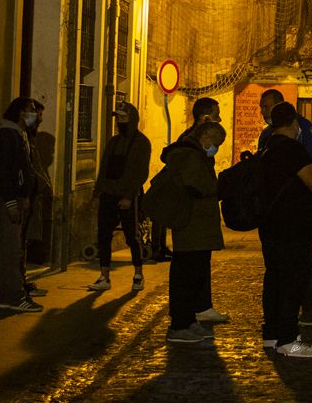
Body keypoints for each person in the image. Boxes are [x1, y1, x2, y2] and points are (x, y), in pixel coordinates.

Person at [257, 102, 312, 358]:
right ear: (293, 123)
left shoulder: (267, 148)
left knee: (275, 278)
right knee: (294, 279)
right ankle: (288, 340)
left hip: (270, 226)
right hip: (293, 227)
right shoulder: (293, 149)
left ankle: (271, 334)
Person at [161, 121, 229, 344]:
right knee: (187, 276)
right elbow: (196, 187)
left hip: (195, 226)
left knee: (192, 274)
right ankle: (180, 325)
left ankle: (188, 321)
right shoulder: (191, 157)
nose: (216, 148)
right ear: (206, 138)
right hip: (193, 225)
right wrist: (219, 188)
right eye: (216, 143)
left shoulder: (194, 155)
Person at [89, 102, 152, 293]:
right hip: (109, 193)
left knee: (132, 236)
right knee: (104, 235)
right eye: (118, 118)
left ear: (132, 119)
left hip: (127, 196)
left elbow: (140, 171)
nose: (120, 121)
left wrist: (129, 196)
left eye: (124, 118)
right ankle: (104, 276)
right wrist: (98, 192)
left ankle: (138, 274)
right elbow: (105, 167)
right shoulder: (113, 142)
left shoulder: (141, 142)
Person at [0, 97, 42, 313]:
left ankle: (16, 292)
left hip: (19, 199)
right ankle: (12, 296)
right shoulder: (7, 136)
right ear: (20, 113)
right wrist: (11, 202)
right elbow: (4, 172)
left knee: (17, 250)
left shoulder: (20, 136)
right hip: (9, 201)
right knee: (11, 251)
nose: (35, 115)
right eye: (31, 110)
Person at [185, 96, 229, 325]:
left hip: (201, 217)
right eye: (216, 114)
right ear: (206, 118)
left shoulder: (198, 146)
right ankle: (190, 314)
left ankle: (202, 305)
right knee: (192, 265)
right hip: (193, 218)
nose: (220, 119)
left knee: (202, 262)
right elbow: (195, 183)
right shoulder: (191, 148)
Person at [21, 100, 52, 300]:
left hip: (32, 198)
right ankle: (19, 285)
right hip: (24, 199)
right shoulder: (21, 138)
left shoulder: (30, 138)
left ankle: (22, 281)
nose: (39, 119)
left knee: (24, 243)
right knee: (19, 244)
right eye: (36, 114)